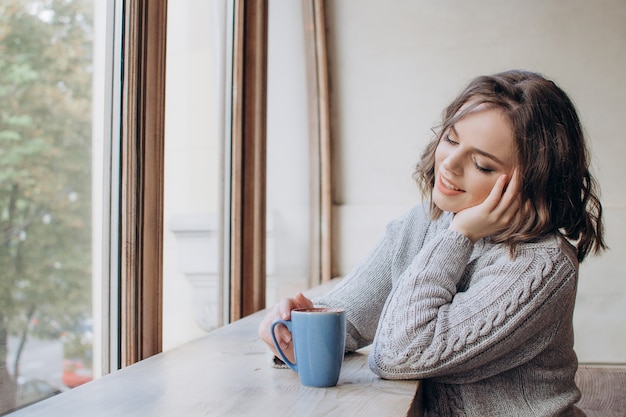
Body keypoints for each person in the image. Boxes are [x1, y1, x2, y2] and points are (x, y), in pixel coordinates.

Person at [258, 69, 606, 416]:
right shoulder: (422, 222)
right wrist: (292, 327)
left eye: (482, 165)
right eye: (452, 140)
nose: (449, 165)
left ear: (534, 182)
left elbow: (400, 353)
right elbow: (349, 322)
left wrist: (460, 236)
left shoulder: (542, 267)